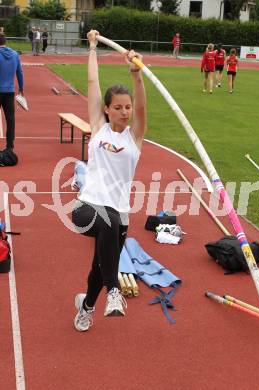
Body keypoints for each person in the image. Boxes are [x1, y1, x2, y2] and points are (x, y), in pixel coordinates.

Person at [72, 30, 147, 332]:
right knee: (108, 217)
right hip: (87, 209)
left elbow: (142, 108)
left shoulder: (135, 138)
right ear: (106, 109)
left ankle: (87, 306)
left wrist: (136, 75)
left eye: (127, 107)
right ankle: (114, 290)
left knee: (99, 264)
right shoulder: (98, 129)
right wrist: (91, 47)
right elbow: (93, 84)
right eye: (117, 107)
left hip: (118, 215)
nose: (124, 112)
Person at [0, 34, 24, 151]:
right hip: (9, 91)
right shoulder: (15, 54)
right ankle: (10, 146)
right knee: (10, 120)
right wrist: (21, 88)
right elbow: (20, 73)